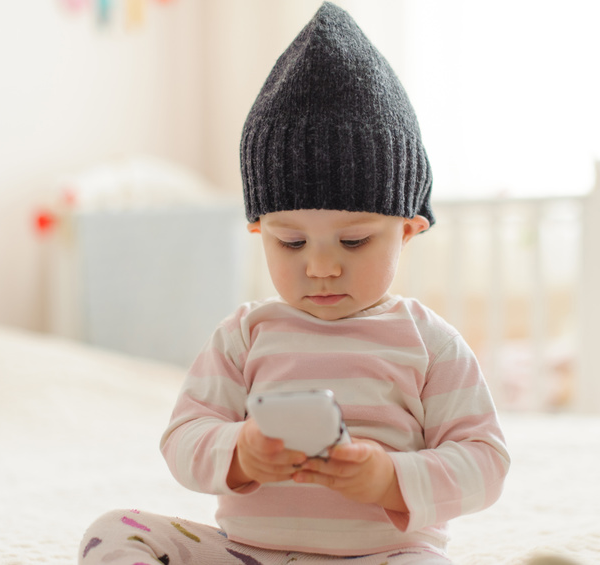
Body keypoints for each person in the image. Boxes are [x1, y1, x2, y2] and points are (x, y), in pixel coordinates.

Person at [78, 3, 509, 564]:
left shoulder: (429, 342)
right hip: (249, 553)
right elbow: (183, 437)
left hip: (384, 557)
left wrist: (390, 477)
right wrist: (241, 452)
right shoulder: (245, 335)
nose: (321, 267)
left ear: (408, 231)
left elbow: (485, 461)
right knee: (117, 530)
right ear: (259, 230)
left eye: (353, 242)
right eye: (291, 242)